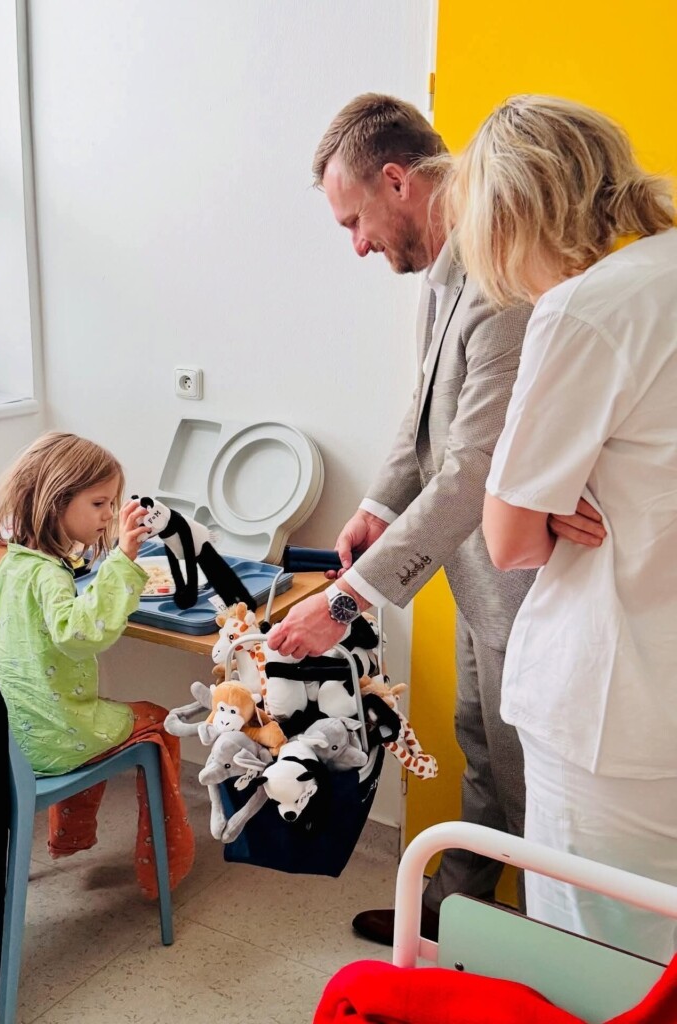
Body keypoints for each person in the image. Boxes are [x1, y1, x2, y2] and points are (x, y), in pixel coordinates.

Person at [265, 93, 545, 945]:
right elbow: (424, 414)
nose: (358, 245)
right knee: (479, 747)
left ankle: (548, 951)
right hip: (474, 572)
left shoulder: (501, 280)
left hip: (526, 580)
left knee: (529, 780)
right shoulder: (441, 275)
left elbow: (471, 470)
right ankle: (451, 914)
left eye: (355, 221)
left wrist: (347, 598)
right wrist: (375, 508)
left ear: (397, 181)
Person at [446, 94, 677, 962]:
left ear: (511, 212)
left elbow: (509, 540)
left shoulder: (587, 308)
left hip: (610, 708)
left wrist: (549, 500)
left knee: (598, 960)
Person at [0, 431, 195, 899]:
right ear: (56, 502)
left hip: (5, 736)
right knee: (162, 723)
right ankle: (165, 866)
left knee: (104, 710)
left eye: (111, 504)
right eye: (99, 503)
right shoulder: (49, 574)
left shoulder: (14, 565)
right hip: (51, 739)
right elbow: (82, 634)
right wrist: (125, 560)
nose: (109, 515)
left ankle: (69, 837)